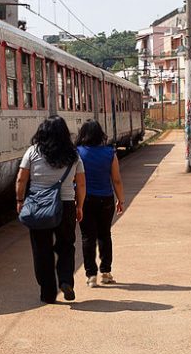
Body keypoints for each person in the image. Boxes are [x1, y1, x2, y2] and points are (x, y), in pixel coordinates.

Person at [16, 115, 86, 303]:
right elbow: (80, 184)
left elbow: (21, 179)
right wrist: (79, 205)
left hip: (39, 206)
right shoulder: (74, 154)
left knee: (41, 249)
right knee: (66, 246)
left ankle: (47, 293)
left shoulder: (32, 152)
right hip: (65, 204)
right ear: (65, 134)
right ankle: (65, 280)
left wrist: (20, 200)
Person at [75, 119, 125, 288]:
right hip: (106, 199)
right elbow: (116, 180)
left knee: (87, 237)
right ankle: (106, 272)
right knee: (105, 235)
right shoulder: (110, 152)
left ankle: (91, 276)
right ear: (100, 134)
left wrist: (77, 204)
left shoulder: (77, 153)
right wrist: (121, 200)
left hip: (85, 199)